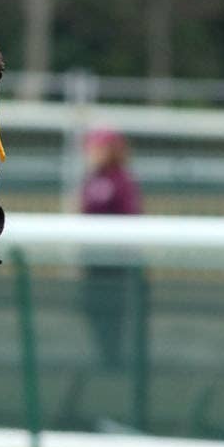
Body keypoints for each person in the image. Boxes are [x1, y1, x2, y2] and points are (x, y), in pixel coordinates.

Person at [78, 127, 143, 369]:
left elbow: (131, 216)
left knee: (114, 310)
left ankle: (114, 358)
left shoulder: (122, 181)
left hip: (115, 262)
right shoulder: (92, 179)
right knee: (93, 307)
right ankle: (104, 356)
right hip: (94, 260)